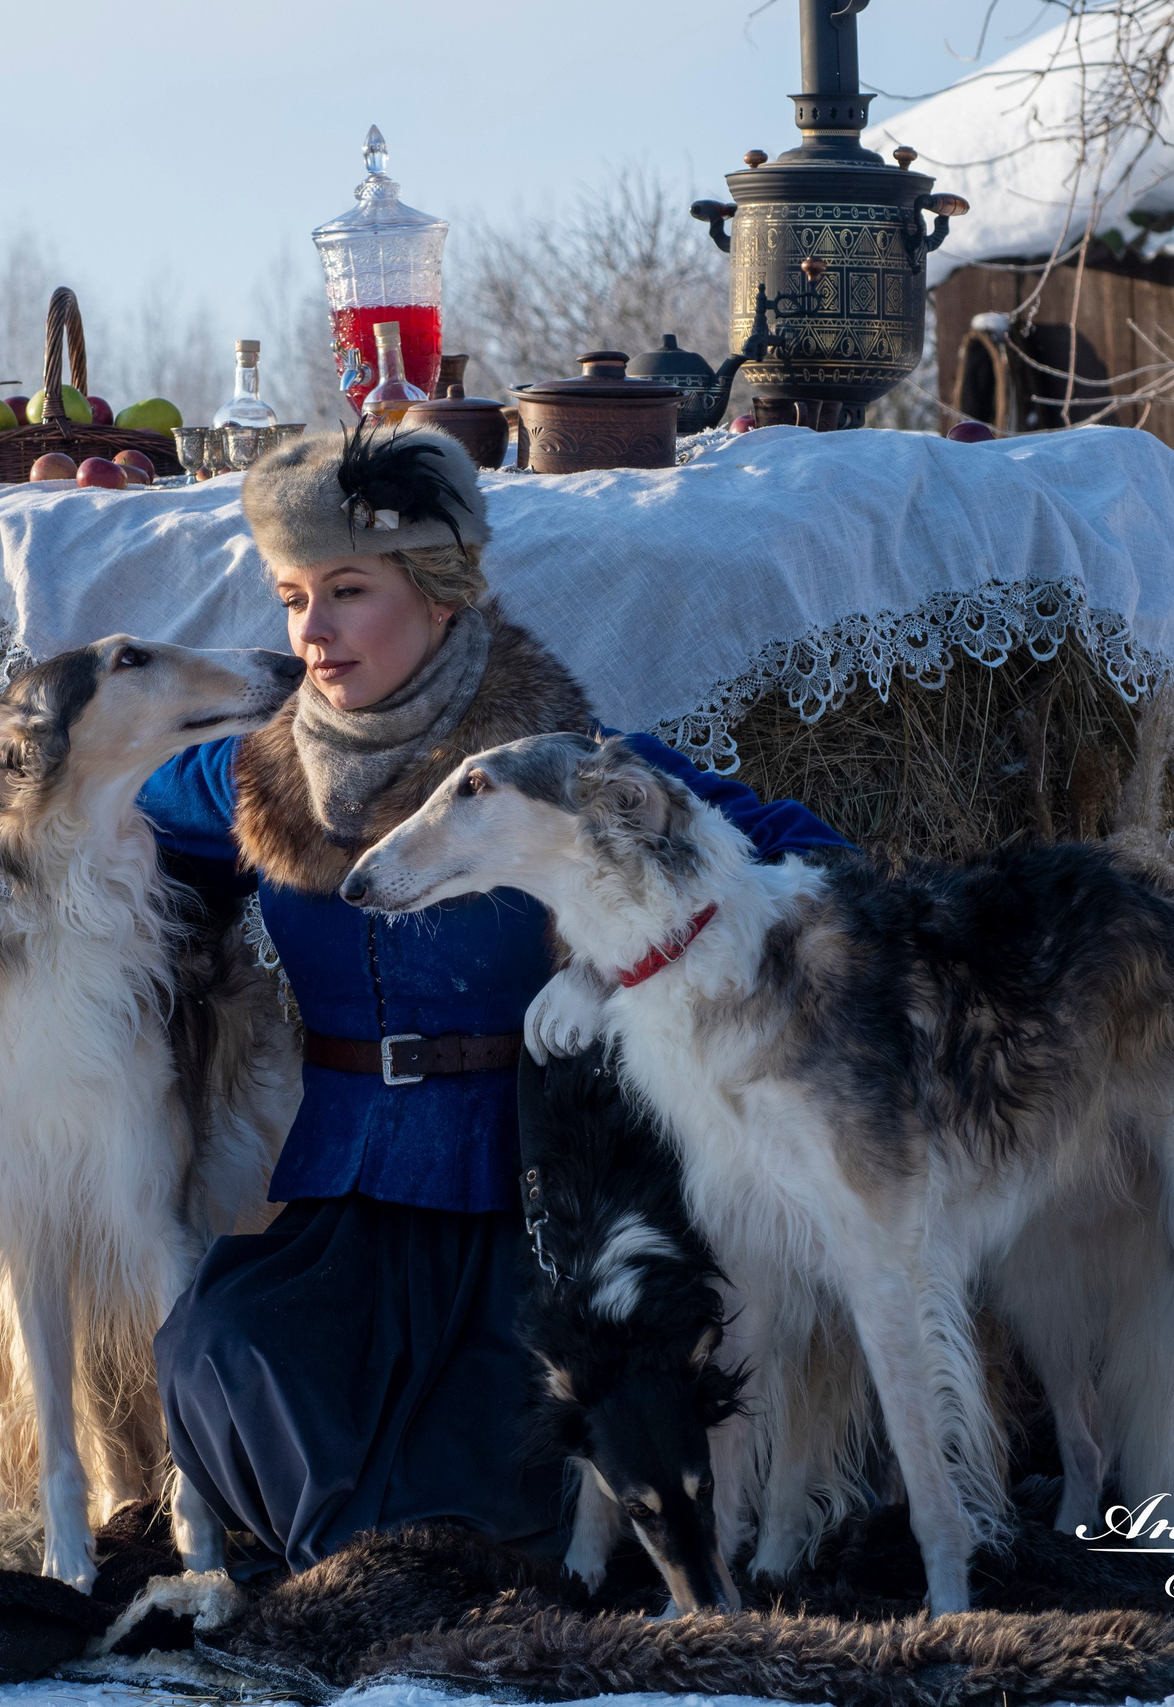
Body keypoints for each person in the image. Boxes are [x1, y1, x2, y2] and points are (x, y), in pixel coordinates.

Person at [139, 427, 846, 1573]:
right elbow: (110, 840)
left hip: (530, 1188)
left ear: (439, 593)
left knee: (510, 1444)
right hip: (342, 1197)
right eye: (291, 597)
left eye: (348, 592)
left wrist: (668, 980)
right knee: (218, 1350)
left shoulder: (558, 768)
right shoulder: (247, 777)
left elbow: (789, 852)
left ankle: (424, 1588)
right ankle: (364, 1584)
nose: (310, 633)